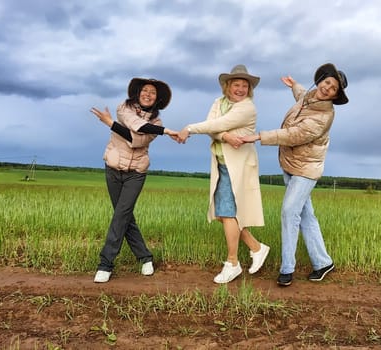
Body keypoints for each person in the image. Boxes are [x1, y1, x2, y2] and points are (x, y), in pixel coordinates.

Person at [241, 63, 349, 287]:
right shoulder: (310, 97)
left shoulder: (324, 116)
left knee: (289, 213)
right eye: (327, 82)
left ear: (336, 95)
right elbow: (302, 96)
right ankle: (323, 263)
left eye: (333, 88)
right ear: (320, 81)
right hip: (291, 165)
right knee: (307, 217)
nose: (328, 88)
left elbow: (295, 134)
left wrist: (260, 136)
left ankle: (287, 268)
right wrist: (294, 86)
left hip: (305, 170)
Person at [177, 64, 269, 284]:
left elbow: (218, 124)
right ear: (227, 86)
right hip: (221, 164)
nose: (240, 89)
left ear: (249, 89)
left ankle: (232, 263)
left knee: (227, 213)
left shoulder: (247, 108)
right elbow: (212, 128)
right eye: (236, 84)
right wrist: (226, 137)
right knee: (223, 213)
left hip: (238, 166)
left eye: (244, 85)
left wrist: (189, 128)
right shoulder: (218, 103)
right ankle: (256, 248)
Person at [90, 77, 179, 283]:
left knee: (121, 214)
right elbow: (134, 124)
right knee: (125, 217)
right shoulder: (123, 108)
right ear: (138, 93)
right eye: (145, 90)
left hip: (136, 173)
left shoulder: (156, 123)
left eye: (153, 93)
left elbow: (136, 137)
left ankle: (105, 263)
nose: (148, 94)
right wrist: (166, 132)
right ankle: (145, 257)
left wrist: (110, 123)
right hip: (113, 168)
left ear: (158, 99)